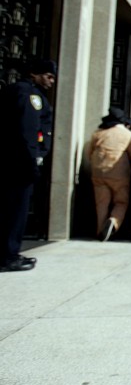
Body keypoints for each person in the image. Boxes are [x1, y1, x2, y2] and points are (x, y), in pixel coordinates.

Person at [0, 60, 56, 272]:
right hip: (18, 163)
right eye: (48, 76)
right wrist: (31, 160)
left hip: (12, 161)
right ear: (34, 74)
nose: (51, 81)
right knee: (15, 211)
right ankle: (8, 255)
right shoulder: (29, 95)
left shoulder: (16, 90)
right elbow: (28, 130)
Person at [88, 107, 131, 242]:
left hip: (98, 172)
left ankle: (100, 231)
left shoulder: (98, 133)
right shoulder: (126, 134)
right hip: (119, 173)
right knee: (121, 202)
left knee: (101, 203)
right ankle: (113, 221)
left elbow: (89, 152)